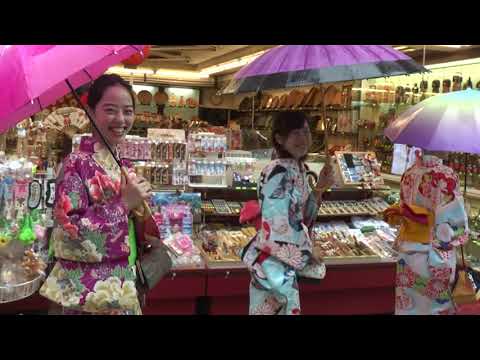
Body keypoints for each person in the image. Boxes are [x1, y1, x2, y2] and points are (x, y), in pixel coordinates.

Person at [40, 74, 154, 315]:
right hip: (89, 293)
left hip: (122, 283)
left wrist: (139, 206)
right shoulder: (75, 163)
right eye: (111, 110)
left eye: (128, 111)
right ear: (90, 112)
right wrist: (123, 204)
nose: (121, 119)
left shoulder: (122, 163)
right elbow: (68, 233)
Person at [241, 112, 334, 315]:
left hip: (281, 265)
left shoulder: (298, 168)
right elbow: (277, 226)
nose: (303, 138)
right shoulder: (278, 172)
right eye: (295, 133)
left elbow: (302, 218)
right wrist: (307, 254)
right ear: (279, 138)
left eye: (306, 131)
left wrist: (319, 188)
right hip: (273, 264)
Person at [385, 151, 469, 315]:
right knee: (436, 306)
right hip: (438, 251)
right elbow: (456, 223)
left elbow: (403, 205)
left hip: (409, 249)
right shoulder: (448, 175)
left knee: (409, 305)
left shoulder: (409, 173)